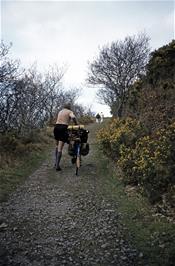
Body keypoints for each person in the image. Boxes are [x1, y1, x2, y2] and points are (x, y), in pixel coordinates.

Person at [53, 103, 78, 171]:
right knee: (60, 148)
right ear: (69, 107)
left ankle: (55, 163)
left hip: (56, 127)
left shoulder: (60, 111)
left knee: (57, 146)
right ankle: (57, 166)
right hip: (63, 128)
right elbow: (73, 117)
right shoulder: (69, 111)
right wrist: (76, 123)